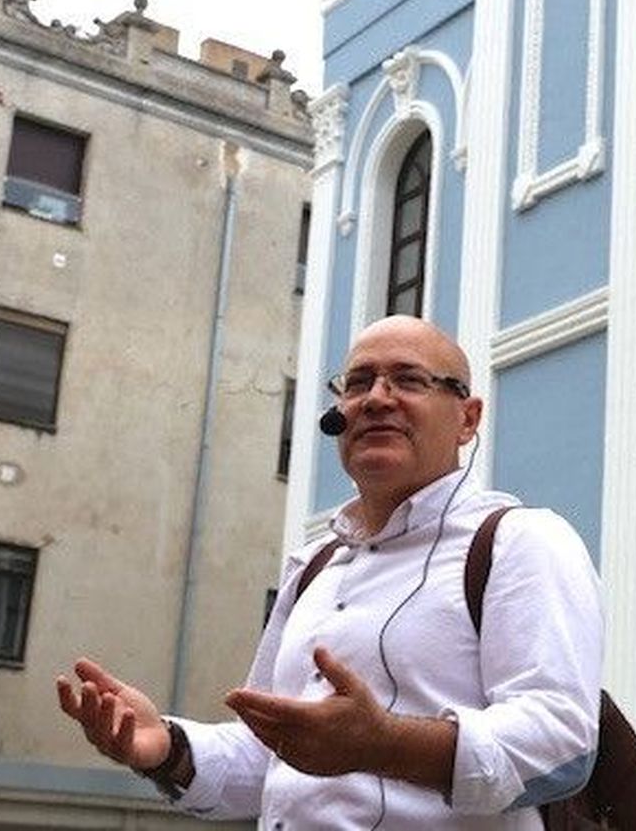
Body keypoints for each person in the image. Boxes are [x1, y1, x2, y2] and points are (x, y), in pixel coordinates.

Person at [57, 315, 603, 828]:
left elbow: (562, 745)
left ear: (468, 418)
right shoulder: (313, 565)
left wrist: (384, 743)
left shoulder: (521, 541)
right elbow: (271, 759)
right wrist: (164, 747)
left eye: (409, 380)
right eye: (359, 382)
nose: (376, 399)